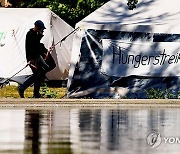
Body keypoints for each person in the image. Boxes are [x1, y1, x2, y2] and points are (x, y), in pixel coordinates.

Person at [18, 20, 52, 98]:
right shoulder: (30, 34)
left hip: (36, 58)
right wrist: (30, 59)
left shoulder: (35, 34)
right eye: (41, 28)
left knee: (39, 74)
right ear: (36, 27)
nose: (42, 30)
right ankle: (22, 88)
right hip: (32, 59)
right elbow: (31, 47)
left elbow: (38, 45)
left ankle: (35, 93)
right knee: (37, 74)